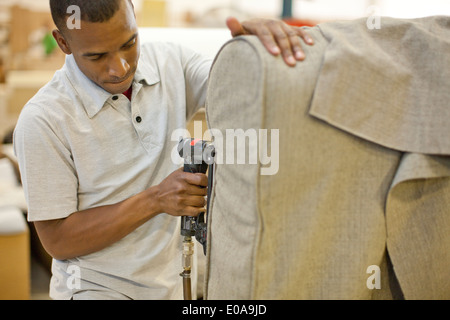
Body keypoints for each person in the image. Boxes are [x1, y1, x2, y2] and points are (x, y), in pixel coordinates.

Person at [13, 0, 313, 300]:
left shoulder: (172, 62)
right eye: (97, 55)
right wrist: (156, 199)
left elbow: (236, 86)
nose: (120, 68)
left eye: (129, 43)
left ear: (133, 13)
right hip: (95, 290)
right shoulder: (43, 119)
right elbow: (59, 240)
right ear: (63, 42)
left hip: (172, 287)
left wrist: (251, 53)